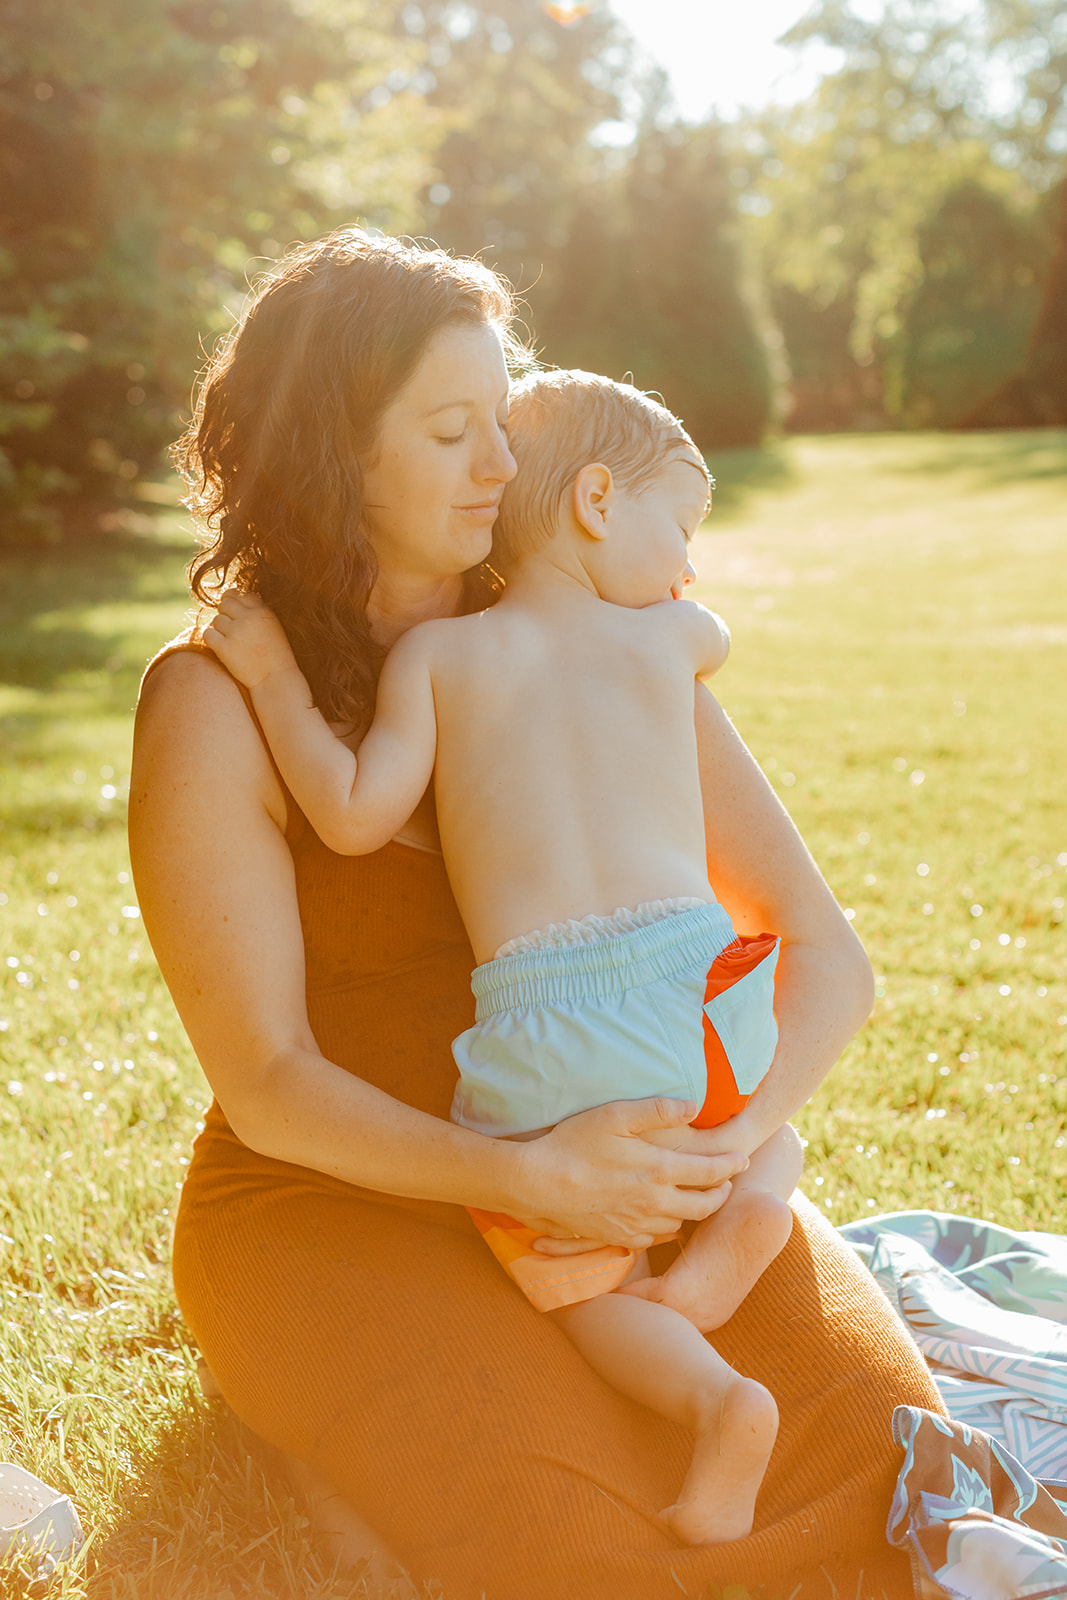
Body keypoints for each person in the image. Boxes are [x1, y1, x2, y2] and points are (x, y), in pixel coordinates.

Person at [129, 225, 946, 1600]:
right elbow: (267, 1081)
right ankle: (331, 1429)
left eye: (502, 420)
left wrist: (704, 1153)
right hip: (343, 1195)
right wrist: (523, 1176)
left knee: (884, 1462)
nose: (505, 467)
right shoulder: (220, 695)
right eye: (455, 431)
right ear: (335, 450)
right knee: (576, 1550)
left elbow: (819, 950)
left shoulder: (592, 636)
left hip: (613, 1180)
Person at [201, 368, 807, 1545]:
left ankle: (701, 1383)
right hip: (696, 993)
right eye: (677, 530)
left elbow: (352, 817)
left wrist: (275, 682)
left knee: (568, 1276)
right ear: (593, 500)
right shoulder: (671, 638)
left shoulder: (437, 664)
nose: (682, 564)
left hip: (546, 1028)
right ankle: (736, 1230)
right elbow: (708, 628)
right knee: (767, 1128)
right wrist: (663, 599)